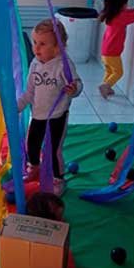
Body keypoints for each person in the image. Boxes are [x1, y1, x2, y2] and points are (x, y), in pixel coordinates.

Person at [17, 18, 83, 196]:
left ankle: (58, 179)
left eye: (42, 44)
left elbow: (77, 83)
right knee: (32, 145)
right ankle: (35, 168)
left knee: (53, 150)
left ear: (56, 47)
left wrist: (74, 89)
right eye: (35, 42)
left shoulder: (64, 64)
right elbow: (29, 93)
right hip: (38, 115)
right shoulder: (35, 64)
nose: (36, 48)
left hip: (57, 116)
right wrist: (17, 107)